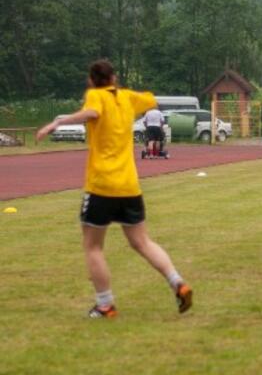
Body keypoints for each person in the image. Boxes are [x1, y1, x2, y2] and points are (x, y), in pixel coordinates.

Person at [36, 60, 193, 318]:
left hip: (102, 185)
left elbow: (92, 113)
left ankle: (105, 304)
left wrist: (57, 123)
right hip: (129, 185)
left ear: (91, 80)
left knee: (93, 247)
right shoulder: (127, 97)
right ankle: (178, 282)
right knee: (142, 242)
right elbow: (151, 100)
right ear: (114, 78)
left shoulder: (95, 96)